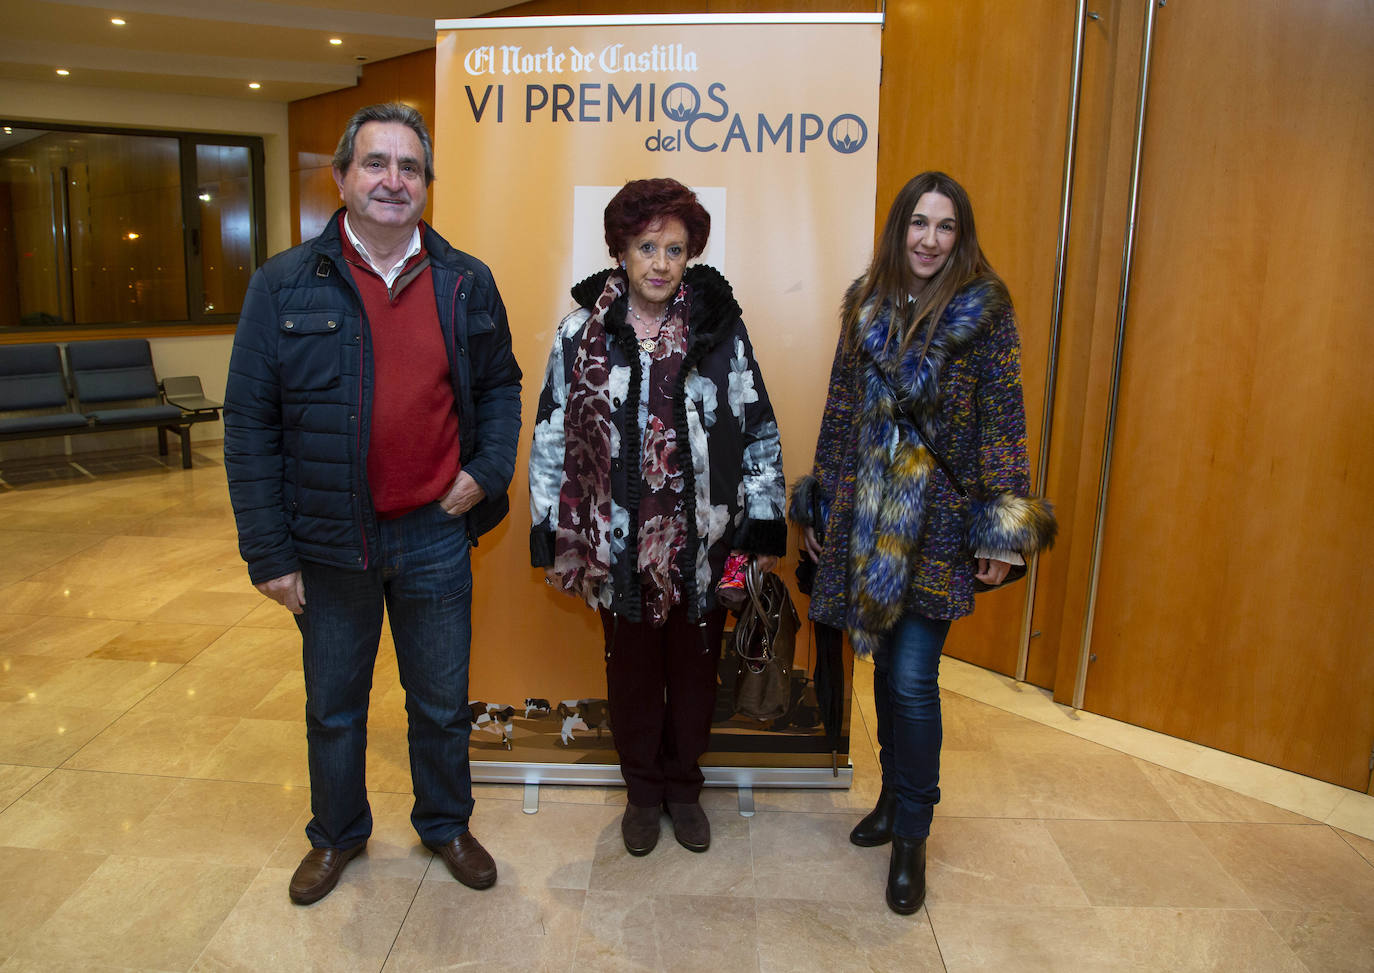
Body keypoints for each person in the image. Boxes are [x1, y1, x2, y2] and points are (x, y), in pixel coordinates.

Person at [223, 103, 522, 905]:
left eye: (410, 167)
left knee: (439, 701)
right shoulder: (283, 282)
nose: (394, 180)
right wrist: (269, 552)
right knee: (334, 708)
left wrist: (486, 471)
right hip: (327, 542)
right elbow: (248, 423)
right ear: (343, 177)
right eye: (376, 164)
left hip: (433, 530)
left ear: (427, 182)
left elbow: (500, 387)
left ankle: (446, 822)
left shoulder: (465, 281)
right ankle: (337, 834)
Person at [790, 172, 1055, 914]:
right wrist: (822, 504)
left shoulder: (985, 313)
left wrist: (1001, 526)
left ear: (959, 234)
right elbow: (841, 411)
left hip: (938, 524)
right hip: (870, 521)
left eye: (944, 225)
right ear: (898, 229)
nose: (929, 238)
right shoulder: (866, 305)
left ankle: (912, 834)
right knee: (880, 669)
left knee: (910, 681)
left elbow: (1005, 420)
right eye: (918, 223)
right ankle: (888, 800)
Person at [528, 178, 786, 856]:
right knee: (634, 678)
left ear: (689, 253)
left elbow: (757, 428)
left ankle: (683, 788)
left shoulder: (720, 330)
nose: (661, 263)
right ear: (621, 250)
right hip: (613, 548)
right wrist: (553, 536)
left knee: (697, 678)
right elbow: (552, 434)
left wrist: (761, 524)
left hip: (704, 544)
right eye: (647, 246)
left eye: (675, 248)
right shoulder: (579, 332)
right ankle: (643, 793)